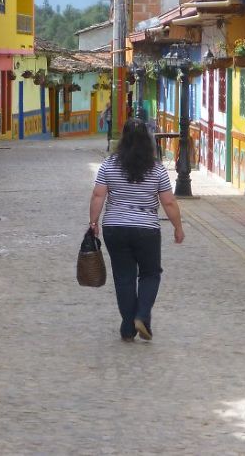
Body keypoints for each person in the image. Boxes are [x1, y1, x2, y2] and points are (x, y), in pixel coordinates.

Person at [88, 119, 185, 342]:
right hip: (146, 229)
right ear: (147, 140)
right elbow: (169, 202)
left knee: (124, 276)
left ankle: (127, 327)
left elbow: (98, 195)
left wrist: (93, 223)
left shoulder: (109, 165)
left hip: (115, 227)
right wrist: (178, 227)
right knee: (150, 274)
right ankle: (142, 315)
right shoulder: (157, 169)